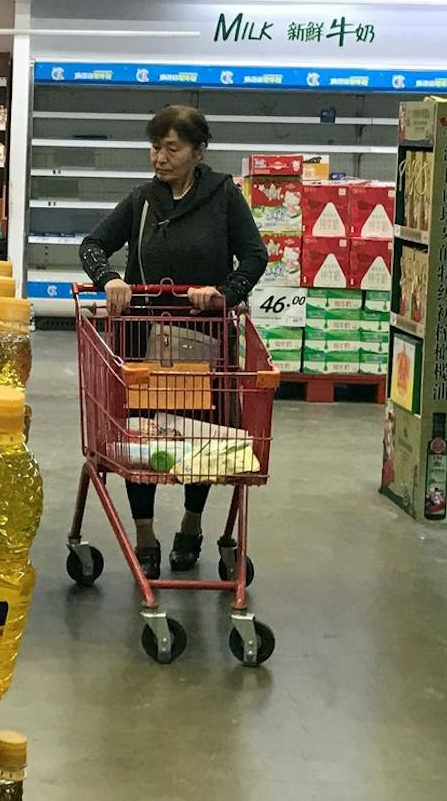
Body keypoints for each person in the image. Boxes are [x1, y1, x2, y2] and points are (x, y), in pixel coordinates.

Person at [78, 104, 266, 578]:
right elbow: (93, 245)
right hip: (141, 338)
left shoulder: (224, 196)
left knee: (197, 434)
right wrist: (109, 279)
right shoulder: (143, 200)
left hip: (202, 338)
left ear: (198, 152)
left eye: (171, 148)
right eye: (155, 147)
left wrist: (223, 295)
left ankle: (191, 523)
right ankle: (145, 535)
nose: (159, 157)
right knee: (140, 436)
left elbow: (254, 257)